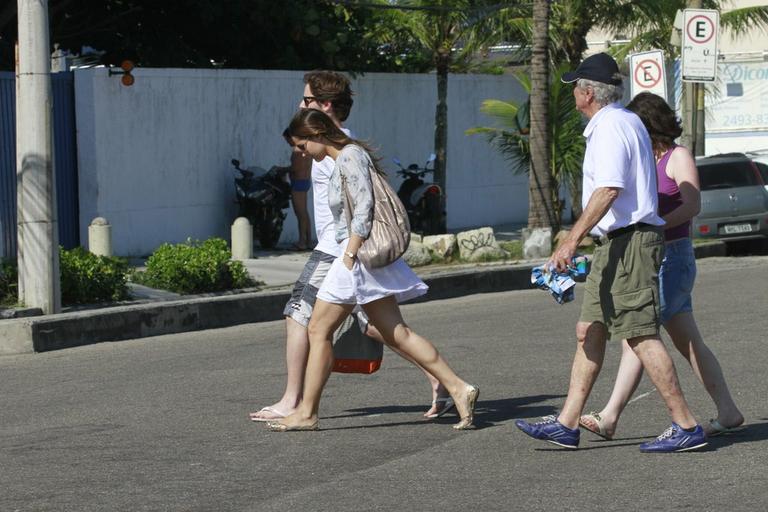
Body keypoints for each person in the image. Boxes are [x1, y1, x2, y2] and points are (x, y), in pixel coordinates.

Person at [515, 53, 707, 453]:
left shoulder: (611, 127)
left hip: (631, 241)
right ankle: (567, 423)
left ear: (588, 92)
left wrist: (570, 239)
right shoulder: (619, 122)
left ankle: (685, 424)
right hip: (613, 243)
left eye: (574, 88)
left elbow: (609, 189)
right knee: (589, 329)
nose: (572, 95)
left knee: (639, 334)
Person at [250, 71, 454, 423]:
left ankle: (293, 402)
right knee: (378, 325)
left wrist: (348, 248)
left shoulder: (336, 148)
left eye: (308, 100)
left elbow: (361, 203)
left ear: (325, 106)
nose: (301, 105)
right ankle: (441, 379)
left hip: (337, 247)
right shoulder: (341, 143)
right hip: (341, 247)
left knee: (298, 315)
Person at [578, 92, 744, 440]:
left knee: (639, 334)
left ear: (648, 123)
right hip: (648, 255)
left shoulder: (676, 156)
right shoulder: (642, 158)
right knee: (687, 343)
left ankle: (609, 416)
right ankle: (728, 411)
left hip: (673, 256)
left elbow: (691, 204)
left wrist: (653, 224)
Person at [287, 150, 312, 251]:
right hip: (305, 181)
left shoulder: (297, 151)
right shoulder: (308, 150)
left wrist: (283, 169)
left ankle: (302, 242)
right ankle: (308, 241)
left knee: (300, 213)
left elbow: (296, 168)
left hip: (298, 182)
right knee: (304, 213)